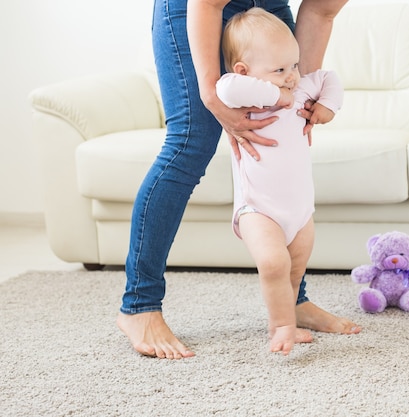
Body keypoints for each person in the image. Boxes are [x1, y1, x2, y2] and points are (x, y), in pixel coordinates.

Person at [116, 0, 361, 359]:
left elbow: (321, 11)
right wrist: (213, 98)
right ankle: (139, 305)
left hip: (268, 7)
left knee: (280, 133)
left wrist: (296, 99)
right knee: (190, 143)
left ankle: (292, 301)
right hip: (198, 6)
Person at [216, 7, 343, 355]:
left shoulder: (299, 85)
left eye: (294, 65)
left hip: (300, 209)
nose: (291, 77)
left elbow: (329, 78)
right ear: (245, 70)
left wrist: (327, 107)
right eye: (280, 70)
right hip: (259, 208)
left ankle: (293, 313)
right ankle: (281, 326)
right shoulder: (245, 97)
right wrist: (276, 97)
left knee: (296, 267)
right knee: (273, 264)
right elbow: (225, 87)